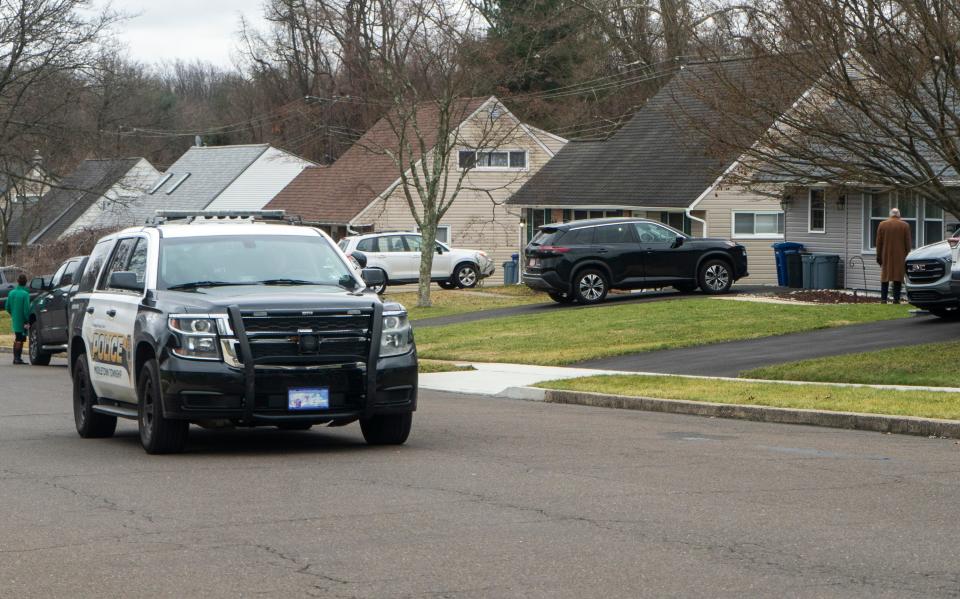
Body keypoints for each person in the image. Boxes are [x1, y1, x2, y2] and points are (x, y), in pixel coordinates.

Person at [875, 207, 912, 304]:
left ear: (890, 214)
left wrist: (878, 256)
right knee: (897, 277)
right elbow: (908, 243)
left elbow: (879, 243)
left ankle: (883, 299)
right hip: (900, 256)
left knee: (885, 277)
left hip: (886, 255)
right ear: (899, 215)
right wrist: (908, 256)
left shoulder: (882, 225)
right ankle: (896, 299)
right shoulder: (905, 225)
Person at [5, 273, 31, 364]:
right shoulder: (25, 294)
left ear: (18, 282)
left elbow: (7, 307)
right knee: (20, 338)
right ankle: (17, 358)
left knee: (18, 337)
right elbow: (26, 309)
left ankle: (16, 357)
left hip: (15, 318)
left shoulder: (11, 293)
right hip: (23, 320)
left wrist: (13, 314)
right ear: (25, 282)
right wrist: (27, 319)